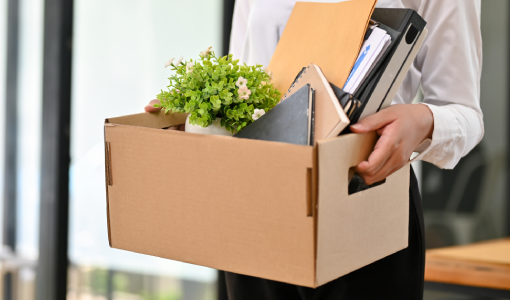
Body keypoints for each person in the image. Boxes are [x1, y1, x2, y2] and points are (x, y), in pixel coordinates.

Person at [146, 0, 483, 298]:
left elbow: (465, 113)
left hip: (365, 202)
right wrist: (202, 107)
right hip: (257, 202)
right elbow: (243, 77)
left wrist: (422, 119)